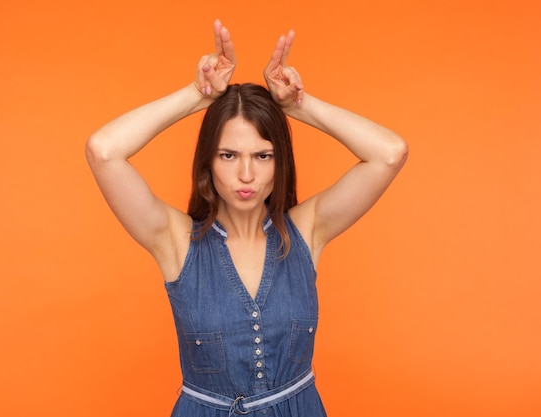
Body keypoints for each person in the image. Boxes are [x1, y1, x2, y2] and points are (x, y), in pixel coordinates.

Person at [86, 19, 407, 417]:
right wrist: (196, 95)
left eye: (262, 155)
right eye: (229, 155)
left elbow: (389, 153)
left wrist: (297, 106)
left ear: (279, 162)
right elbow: (103, 150)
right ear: (208, 161)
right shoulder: (174, 240)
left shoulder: (307, 231)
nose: (246, 175)